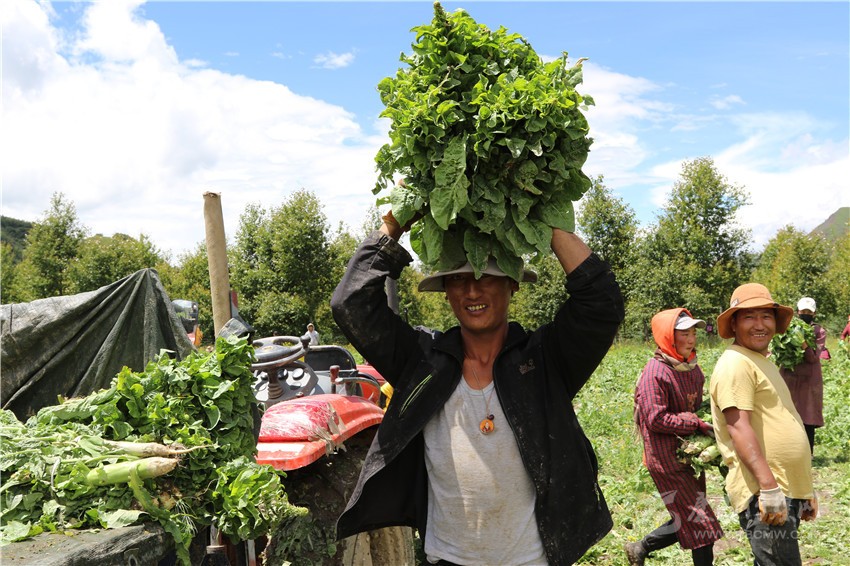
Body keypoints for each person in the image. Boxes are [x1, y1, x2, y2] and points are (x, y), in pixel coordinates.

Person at [330, 210, 624, 565]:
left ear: (512, 283)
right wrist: (394, 223)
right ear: (446, 292)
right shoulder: (422, 361)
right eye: (457, 279)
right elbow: (351, 303)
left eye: (486, 276)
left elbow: (601, 303)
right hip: (447, 559)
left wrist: (544, 217)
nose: (472, 290)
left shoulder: (544, 361)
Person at [709, 283, 817, 566]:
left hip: (783, 488)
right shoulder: (736, 364)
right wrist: (768, 488)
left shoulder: (759, 360)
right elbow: (738, 427)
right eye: (749, 317)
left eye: (766, 316)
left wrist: (805, 490)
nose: (760, 325)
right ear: (734, 324)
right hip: (764, 491)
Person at [625, 308, 723, 566]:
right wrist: (694, 422)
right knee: (701, 523)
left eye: (693, 333)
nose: (691, 339)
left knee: (689, 515)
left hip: (688, 454)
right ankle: (641, 547)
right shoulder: (655, 373)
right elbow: (655, 418)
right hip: (665, 458)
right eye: (684, 334)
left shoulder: (692, 368)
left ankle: (640, 547)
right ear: (668, 337)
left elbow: (696, 406)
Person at [779, 297, 826, 454]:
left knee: (808, 414)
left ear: (814, 313)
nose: (805, 314)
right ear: (797, 312)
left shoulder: (819, 331)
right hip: (790, 376)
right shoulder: (788, 328)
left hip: (809, 379)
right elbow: (780, 349)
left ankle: (808, 453)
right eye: (803, 311)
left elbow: (813, 358)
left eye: (809, 312)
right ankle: (788, 452)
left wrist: (804, 344)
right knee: (788, 413)